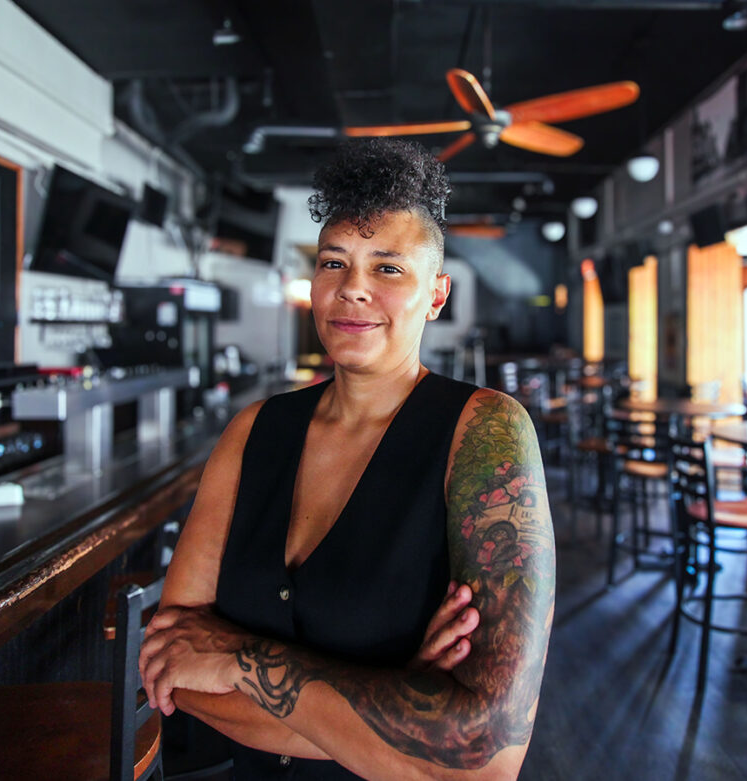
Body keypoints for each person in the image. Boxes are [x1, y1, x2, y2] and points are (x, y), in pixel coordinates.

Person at [139, 138, 555, 780]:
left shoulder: (485, 432)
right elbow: (171, 672)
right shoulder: (255, 431)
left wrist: (232, 659)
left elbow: (484, 758)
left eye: (388, 268)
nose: (352, 289)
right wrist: (393, 703)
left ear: (436, 294)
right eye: (334, 263)